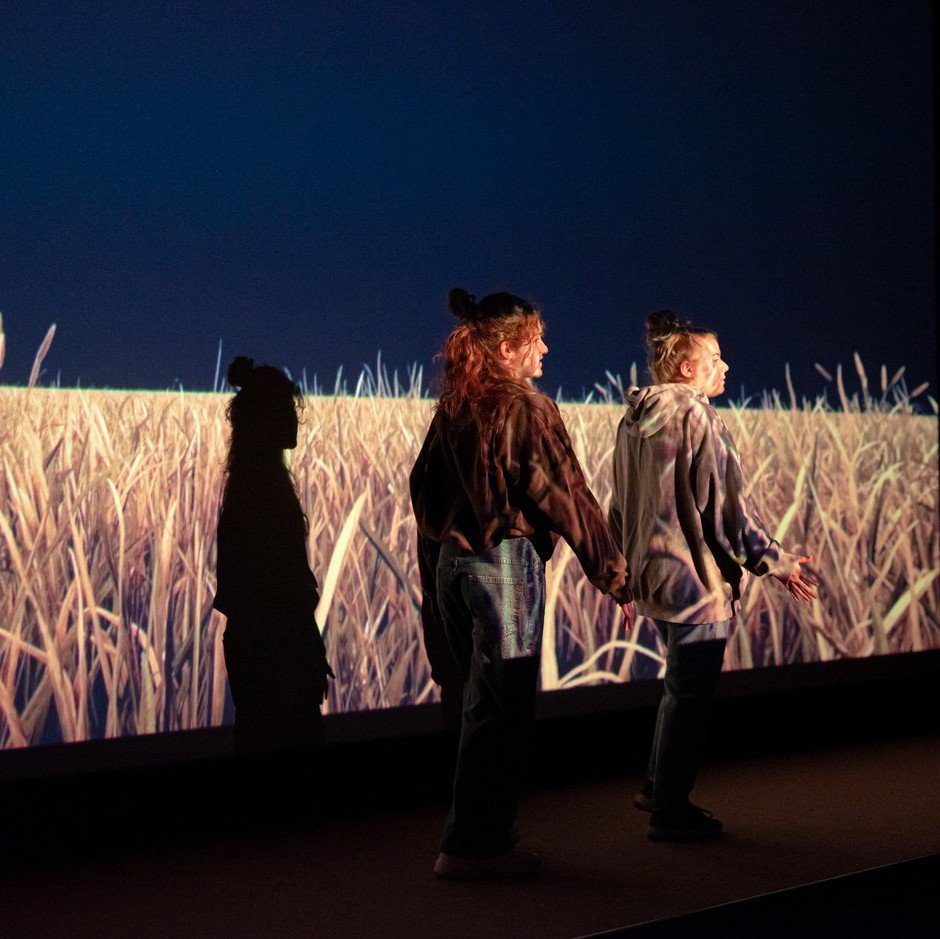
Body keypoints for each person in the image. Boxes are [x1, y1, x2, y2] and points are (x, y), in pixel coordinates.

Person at [410, 288, 632, 880]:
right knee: (501, 711)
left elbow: (421, 490)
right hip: (504, 569)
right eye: (536, 340)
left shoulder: (454, 406)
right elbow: (568, 496)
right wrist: (614, 575)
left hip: (451, 568)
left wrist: (439, 568)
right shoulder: (527, 409)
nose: (546, 350)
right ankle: (474, 847)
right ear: (507, 349)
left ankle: (478, 837)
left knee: (481, 705)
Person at [609, 310, 818, 841]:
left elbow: (620, 504)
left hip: (653, 579)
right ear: (687, 367)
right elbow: (727, 509)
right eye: (715, 359)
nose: (725, 367)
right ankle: (670, 810)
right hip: (695, 582)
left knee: (678, 690)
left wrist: (622, 573)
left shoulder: (633, 418)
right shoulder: (697, 416)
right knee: (691, 696)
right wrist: (776, 562)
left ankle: (657, 786)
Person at [213, 356, 333, 752]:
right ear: (266, 419)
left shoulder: (250, 482)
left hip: (256, 650)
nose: (295, 418)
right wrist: (306, 649)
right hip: (277, 653)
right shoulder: (264, 490)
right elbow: (282, 588)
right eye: (286, 409)